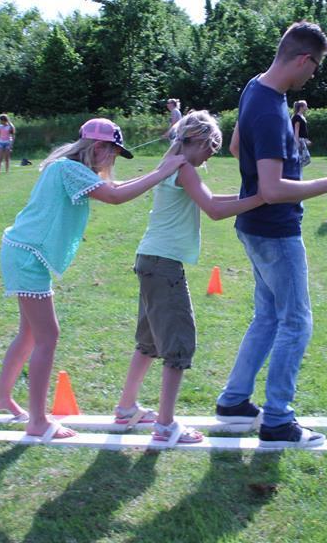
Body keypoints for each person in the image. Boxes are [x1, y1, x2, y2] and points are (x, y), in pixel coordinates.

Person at [0, 118, 186, 442]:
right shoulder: (68, 169)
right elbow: (116, 196)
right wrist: (162, 172)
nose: (112, 162)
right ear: (98, 148)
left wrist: (160, 169)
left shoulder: (68, 169)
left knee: (29, 334)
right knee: (47, 336)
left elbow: (116, 190)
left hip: (22, 253)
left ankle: (1, 397)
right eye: (113, 154)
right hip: (27, 256)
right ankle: (37, 421)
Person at [214, 21, 327, 448]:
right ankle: (277, 419)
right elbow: (272, 190)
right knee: (296, 322)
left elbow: (238, 148)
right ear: (302, 59)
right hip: (275, 231)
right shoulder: (273, 108)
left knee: (268, 317)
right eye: (315, 67)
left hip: (255, 229)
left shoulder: (253, 89)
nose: (313, 75)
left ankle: (235, 401)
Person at [115, 111, 265, 444]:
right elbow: (213, 210)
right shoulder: (183, 167)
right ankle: (166, 425)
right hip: (163, 264)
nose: (211, 155)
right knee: (179, 345)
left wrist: (253, 199)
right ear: (196, 141)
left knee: (149, 342)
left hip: (151, 260)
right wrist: (261, 198)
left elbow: (208, 200)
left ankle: (127, 407)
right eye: (211, 148)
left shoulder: (172, 162)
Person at [292, 100, 312, 171]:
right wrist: (297, 142)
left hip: (302, 140)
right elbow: (296, 130)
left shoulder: (302, 116)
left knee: (305, 159)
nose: (307, 107)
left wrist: (306, 140)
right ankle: (296, 172)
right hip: (299, 140)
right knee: (302, 159)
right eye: (306, 106)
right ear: (301, 107)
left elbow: (303, 131)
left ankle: (298, 171)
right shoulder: (297, 117)